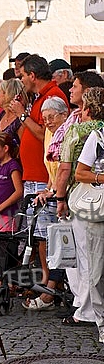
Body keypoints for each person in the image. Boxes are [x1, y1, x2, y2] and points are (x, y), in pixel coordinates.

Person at [9, 54, 69, 284]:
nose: (21, 79)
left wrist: (21, 114)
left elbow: (47, 134)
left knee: (45, 234)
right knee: (39, 234)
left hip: (45, 176)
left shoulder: (52, 96)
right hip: (34, 173)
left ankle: (50, 283)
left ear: (33, 75)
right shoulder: (39, 97)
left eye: (23, 75)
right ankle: (46, 280)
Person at [56, 87, 104, 326]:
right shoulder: (98, 131)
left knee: (85, 258)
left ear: (87, 107)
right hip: (94, 200)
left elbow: (65, 169)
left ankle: (86, 309)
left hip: (85, 202)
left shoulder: (77, 131)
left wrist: (59, 198)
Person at [21, 97, 69, 310]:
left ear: (63, 115)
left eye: (51, 117)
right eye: (45, 118)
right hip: (54, 190)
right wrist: (48, 189)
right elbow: (52, 167)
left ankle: (54, 288)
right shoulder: (52, 132)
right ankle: (50, 283)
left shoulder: (67, 132)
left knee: (61, 243)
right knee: (45, 238)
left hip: (66, 194)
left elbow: (65, 167)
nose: (47, 122)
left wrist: (56, 193)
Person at [74, 111, 104, 344]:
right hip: (99, 213)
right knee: (98, 273)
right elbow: (80, 173)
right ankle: (102, 324)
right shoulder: (98, 137)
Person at [0, 132, 23, 287]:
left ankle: (3, 281)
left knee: (4, 247)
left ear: (5, 148)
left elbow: (19, 191)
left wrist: (2, 206)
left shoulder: (12, 166)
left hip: (7, 214)